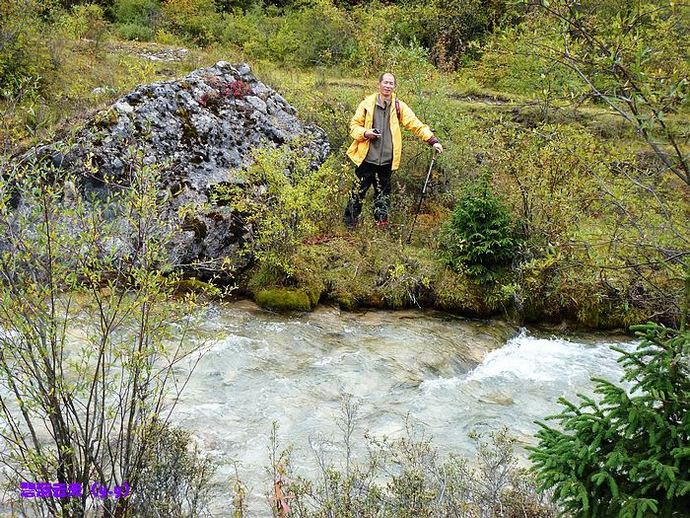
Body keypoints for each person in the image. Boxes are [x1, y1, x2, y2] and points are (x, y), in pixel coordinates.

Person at [344, 72, 443, 228]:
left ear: (394, 87)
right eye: (385, 82)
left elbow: (415, 124)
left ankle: (381, 225)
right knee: (357, 193)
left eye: (391, 83)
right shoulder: (367, 104)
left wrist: (433, 141)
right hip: (366, 159)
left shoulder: (399, 107)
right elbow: (354, 127)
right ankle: (350, 224)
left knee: (383, 195)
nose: (388, 86)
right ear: (379, 84)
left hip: (386, 162)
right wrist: (365, 133)